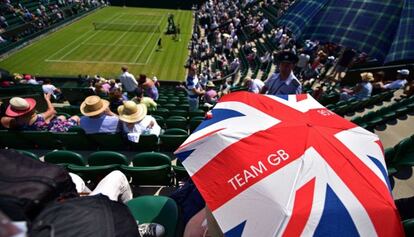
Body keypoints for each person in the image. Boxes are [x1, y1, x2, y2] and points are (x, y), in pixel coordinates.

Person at [0, 94, 79, 132]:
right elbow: (51, 110)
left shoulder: (17, 122)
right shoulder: (39, 117)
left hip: (42, 134)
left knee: (62, 117)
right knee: (75, 117)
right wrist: (47, 99)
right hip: (53, 132)